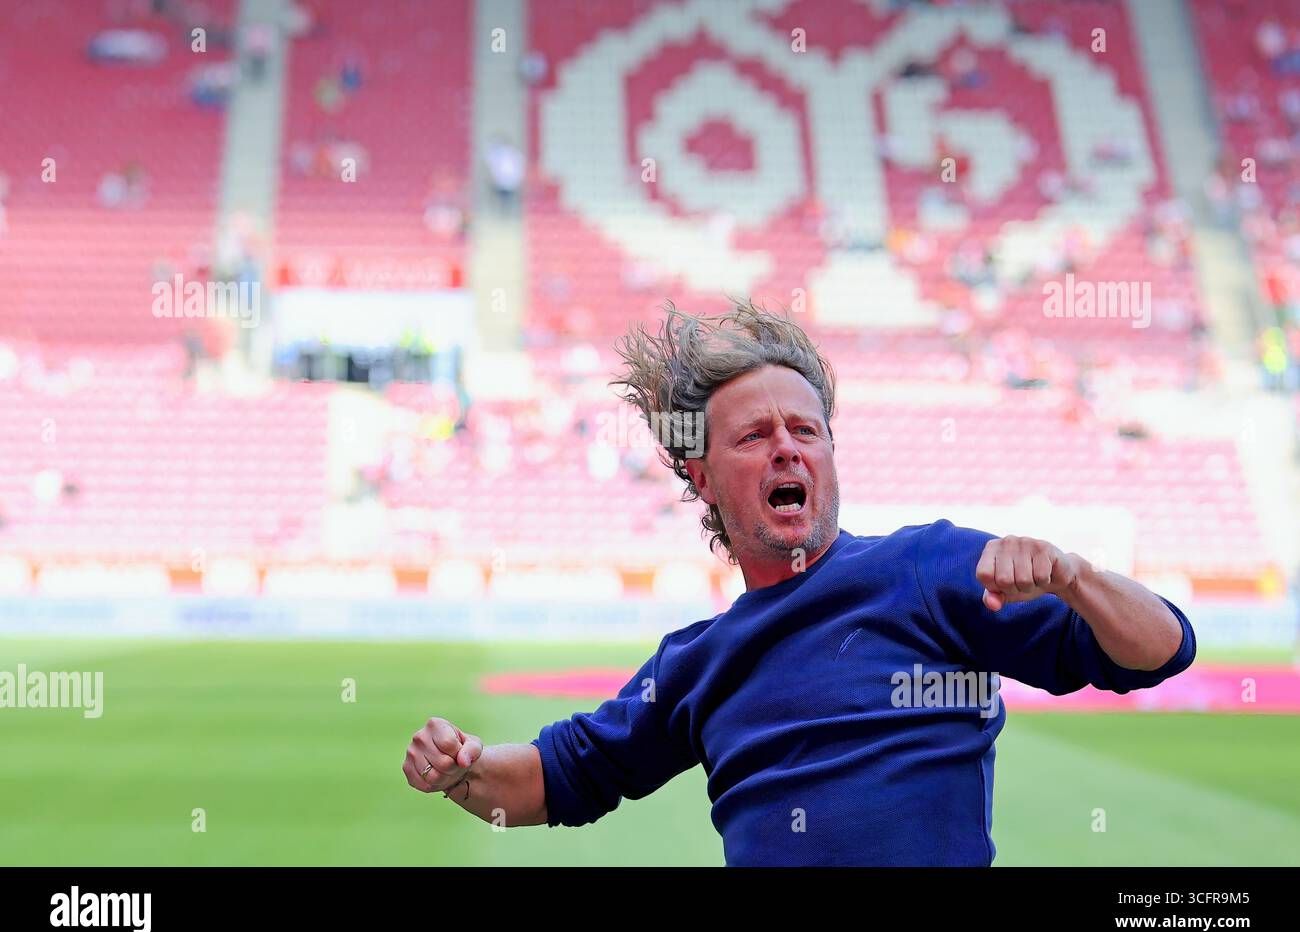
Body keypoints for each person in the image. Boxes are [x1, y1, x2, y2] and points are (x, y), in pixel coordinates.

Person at [401, 299, 1196, 865]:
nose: (787, 447)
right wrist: (464, 768)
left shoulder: (928, 568)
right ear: (702, 477)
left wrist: (1077, 578)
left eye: (805, 430)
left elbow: (1159, 649)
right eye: (755, 435)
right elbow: (553, 782)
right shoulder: (695, 663)